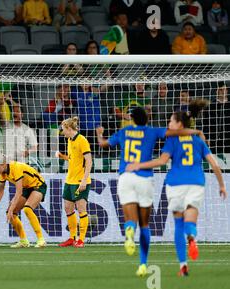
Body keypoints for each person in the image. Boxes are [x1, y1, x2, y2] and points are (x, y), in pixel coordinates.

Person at [96, 108, 206, 277]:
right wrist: (196, 130)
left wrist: (99, 134)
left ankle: (129, 230)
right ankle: (142, 264)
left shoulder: (123, 131)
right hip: (144, 179)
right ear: (147, 119)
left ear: (132, 119)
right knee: (145, 224)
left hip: (126, 176)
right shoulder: (153, 131)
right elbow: (177, 131)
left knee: (130, 219)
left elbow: (103, 144)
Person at [126, 109, 227, 276]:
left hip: (175, 184)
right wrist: (221, 185)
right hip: (196, 182)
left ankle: (183, 265)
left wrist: (139, 165)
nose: (168, 124)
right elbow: (214, 164)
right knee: (190, 221)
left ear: (180, 124)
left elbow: (162, 161)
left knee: (178, 224)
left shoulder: (172, 140)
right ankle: (192, 238)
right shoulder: (198, 141)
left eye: (171, 121)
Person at [0, 154, 47, 248]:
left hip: (38, 184)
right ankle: (24, 241)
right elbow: (0, 192)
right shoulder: (2, 173)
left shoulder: (16, 167)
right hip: (26, 187)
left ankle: (41, 240)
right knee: (10, 213)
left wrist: (11, 208)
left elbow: (19, 192)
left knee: (27, 209)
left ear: (3, 165)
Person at [55, 117, 92, 248]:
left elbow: (89, 161)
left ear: (69, 129)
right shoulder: (70, 140)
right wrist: (62, 156)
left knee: (81, 209)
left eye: (63, 130)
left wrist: (83, 180)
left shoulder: (82, 140)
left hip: (80, 181)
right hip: (69, 180)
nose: (62, 132)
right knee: (68, 208)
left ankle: (81, 240)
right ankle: (72, 237)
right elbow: (72, 159)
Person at [71, 82, 101, 153]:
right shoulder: (76, 93)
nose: (85, 83)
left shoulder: (94, 92)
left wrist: (109, 78)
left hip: (94, 126)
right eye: (83, 81)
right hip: (82, 126)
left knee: (94, 150)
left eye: (87, 81)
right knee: (83, 150)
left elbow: (102, 89)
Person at [203, 82, 230, 154]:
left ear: (227, 90)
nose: (223, 91)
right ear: (216, 91)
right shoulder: (210, 106)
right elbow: (206, 123)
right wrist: (207, 137)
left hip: (228, 139)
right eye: (221, 90)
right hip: (214, 139)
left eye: (224, 89)